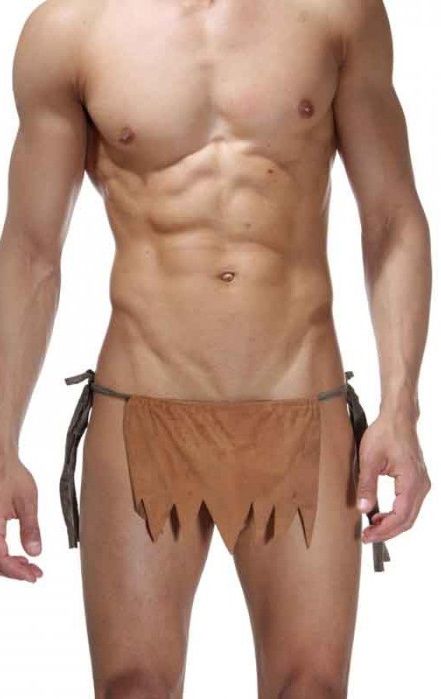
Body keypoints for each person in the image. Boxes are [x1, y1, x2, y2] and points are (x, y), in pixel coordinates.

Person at [0, 0, 432, 697]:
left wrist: (400, 410)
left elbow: (391, 216)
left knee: (311, 688)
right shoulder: (70, 30)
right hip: (142, 410)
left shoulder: (335, 13)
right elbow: (30, 250)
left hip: (301, 401)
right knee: (132, 688)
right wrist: (0, 438)